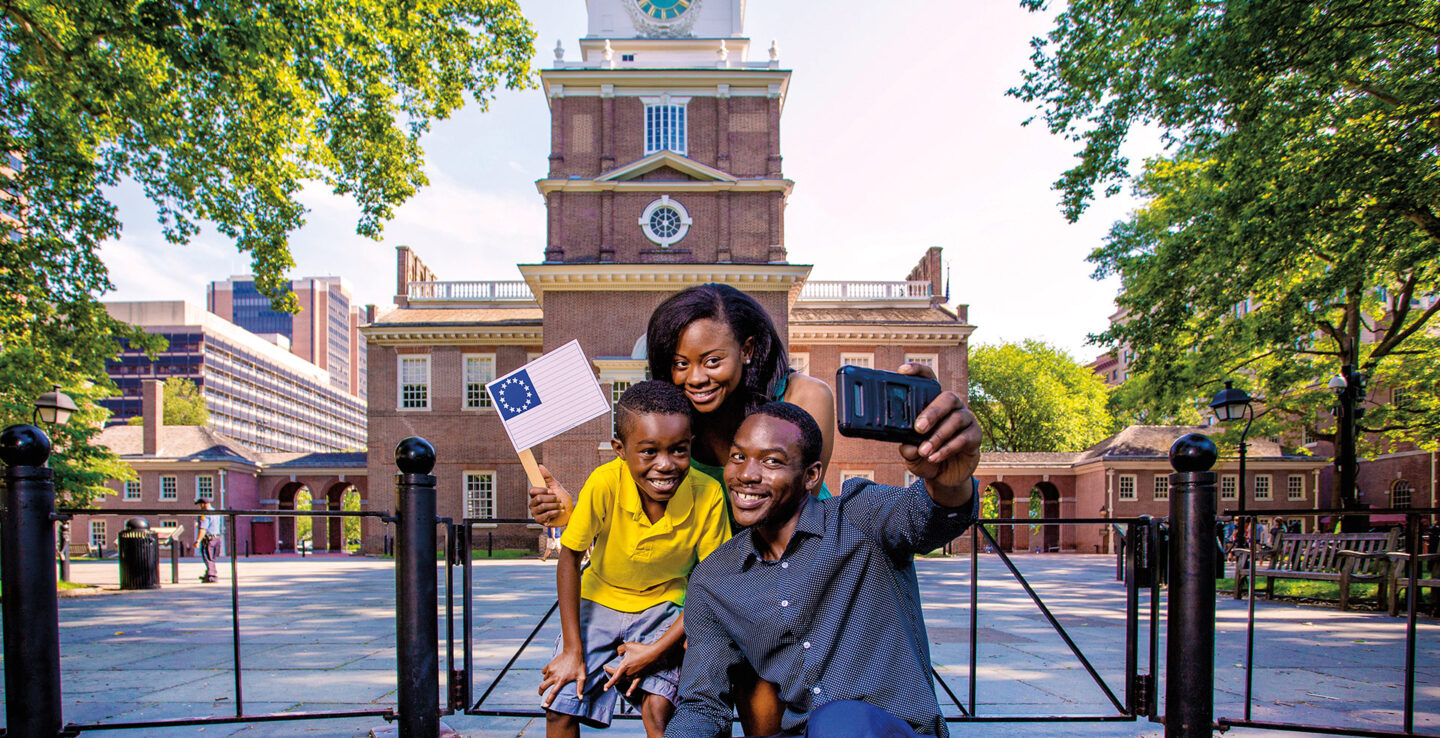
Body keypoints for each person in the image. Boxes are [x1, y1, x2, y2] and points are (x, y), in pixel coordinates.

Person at [665, 400, 980, 738]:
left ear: (811, 476)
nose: (746, 474)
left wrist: (950, 484)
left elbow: (927, 518)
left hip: (889, 730)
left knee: (842, 721)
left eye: (771, 461)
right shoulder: (714, 579)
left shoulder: (860, 518)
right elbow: (702, 705)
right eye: (738, 457)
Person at [539, 381, 732, 738]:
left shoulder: (708, 494)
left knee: (660, 708)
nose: (665, 465)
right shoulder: (604, 483)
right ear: (620, 450)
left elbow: (713, 586)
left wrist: (657, 649)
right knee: (561, 701)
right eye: (648, 452)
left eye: (678, 450)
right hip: (600, 599)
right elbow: (570, 558)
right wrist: (571, 649)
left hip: (666, 605)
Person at [194, 498, 223, 583]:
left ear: (203, 504)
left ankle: (212, 576)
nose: (199, 507)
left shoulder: (205, 514)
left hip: (209, 539)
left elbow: (203, 528)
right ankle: (208, 573)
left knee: (207, 557)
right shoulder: (215, 512)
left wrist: (198, 540)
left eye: (200, 505)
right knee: (212, 558)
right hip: (217, 538)